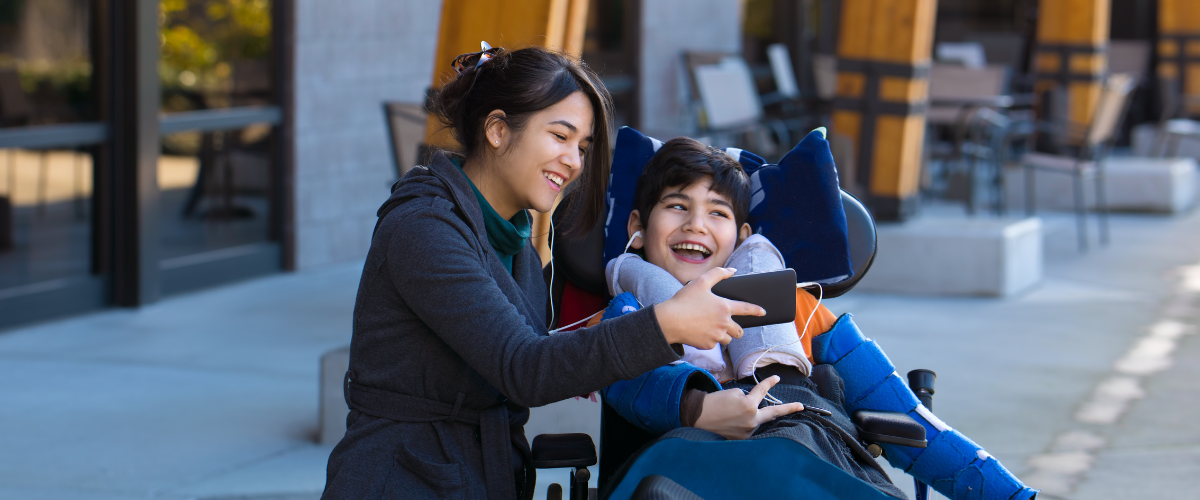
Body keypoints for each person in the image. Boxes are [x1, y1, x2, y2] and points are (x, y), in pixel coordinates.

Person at [320, 45, 777, 500]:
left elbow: (547, 356)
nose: (575, 162)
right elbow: (525, 367)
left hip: (480, 473)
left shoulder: (514, 242)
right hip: (403, 478)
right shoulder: (424, 229)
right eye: (560, 137)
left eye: (583, 147)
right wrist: (668, 322)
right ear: (498, 130)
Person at [597, 136, 1037, 500]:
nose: (696, 224)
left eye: (718, 212)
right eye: (677, 205)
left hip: (801, 450)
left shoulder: (799, 308)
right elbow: (629, 382)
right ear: (637, 224)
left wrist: (1011, 495)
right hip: (684, 470)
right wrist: (697, 406)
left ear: (743, 236)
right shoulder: (627, 314)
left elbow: (908, 416)